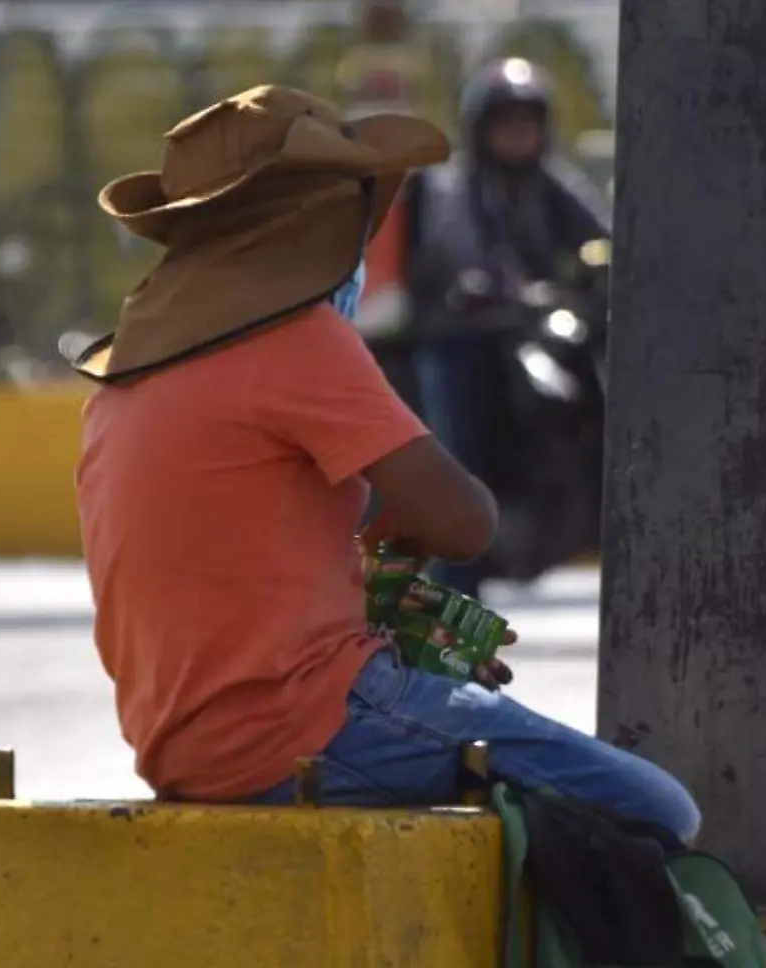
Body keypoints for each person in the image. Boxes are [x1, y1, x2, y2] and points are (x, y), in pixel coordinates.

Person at [70, 85, 699, 844]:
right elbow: (465, 522)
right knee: (660, 811)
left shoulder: (130, 369)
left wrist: (377, 595)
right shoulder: (292, 338)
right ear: (313, 221)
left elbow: (236, 575)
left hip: (186, 749)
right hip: (308, 724)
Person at [402, 57, 612, 598]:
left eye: (528, 120)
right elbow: (448, 257)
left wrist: (595, 273)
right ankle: (456, 593)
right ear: (481, 128)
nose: (518, 132)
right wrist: (480, 286)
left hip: (534, 338)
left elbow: (603, 241)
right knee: (460, 463)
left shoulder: (554, 186)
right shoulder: (451, 190)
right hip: (463, 341)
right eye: (505, 120)